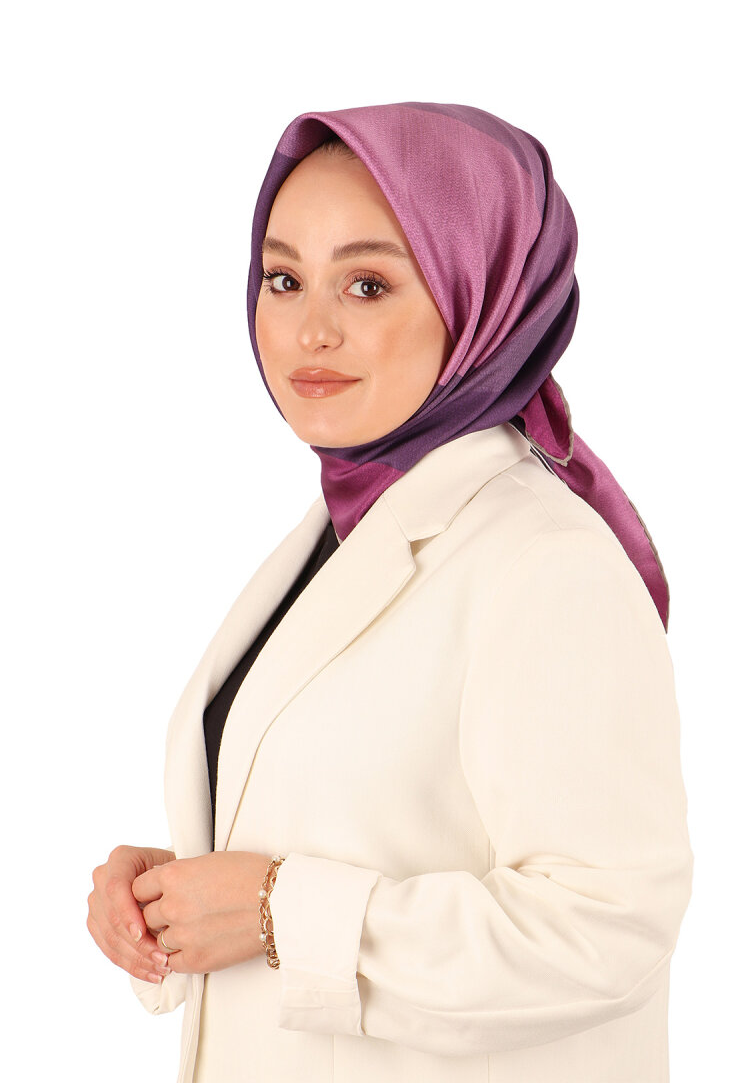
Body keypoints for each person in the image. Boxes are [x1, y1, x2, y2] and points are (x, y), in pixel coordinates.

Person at [87, 101, 694, 1083]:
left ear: (484, 299)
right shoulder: (340, 530)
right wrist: (175, 899)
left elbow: (607, 929)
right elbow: (354, 830)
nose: (310, 328)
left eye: (367, 284)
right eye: (283, 279)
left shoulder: (545, 561)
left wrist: (278, 911)